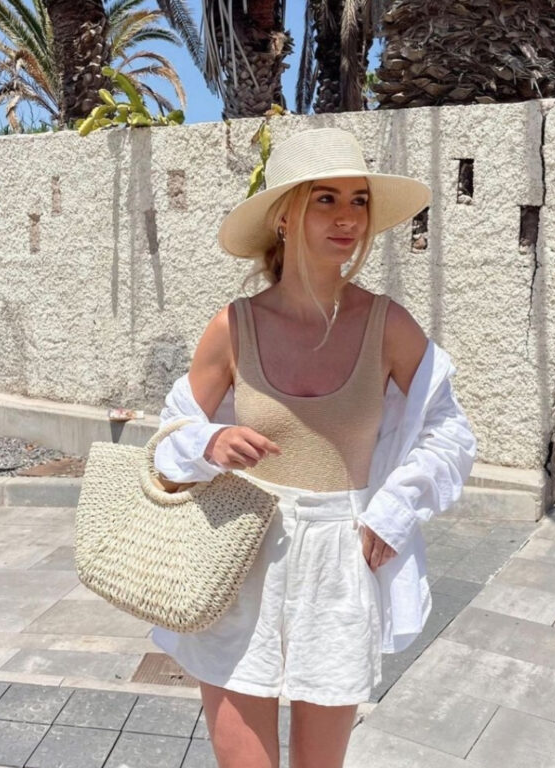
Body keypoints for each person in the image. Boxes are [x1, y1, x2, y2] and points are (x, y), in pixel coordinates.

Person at [152, 127, 478, 768]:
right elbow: (169, 433)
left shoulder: (389, 325)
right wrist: (209, 441)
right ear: (284, 216)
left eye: (358, 201)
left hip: (338, 556)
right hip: (238, 551)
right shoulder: (234, 325)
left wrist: (394, 508)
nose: (348, 218)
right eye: (324, 199)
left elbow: (451, 431)